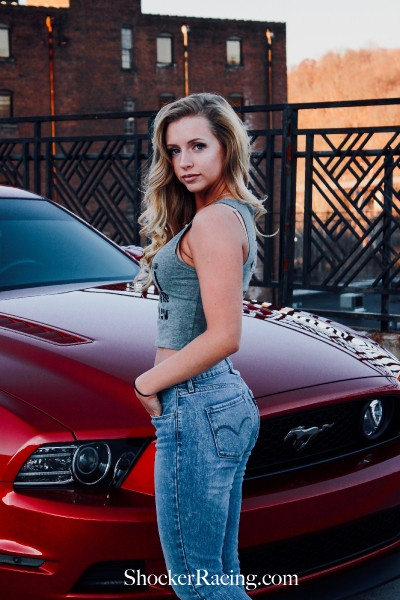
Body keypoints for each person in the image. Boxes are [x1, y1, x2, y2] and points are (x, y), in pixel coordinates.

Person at [133, 92, 265, 599]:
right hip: (220, 401)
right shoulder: (227, 215)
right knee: (220, 574)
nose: (183, 162)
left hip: (195, 402)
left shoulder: (212, 221)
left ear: (225, 148)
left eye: (197, 146)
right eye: (173, 150)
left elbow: (225, 334)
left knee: (198, 583)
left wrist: (149, 382)